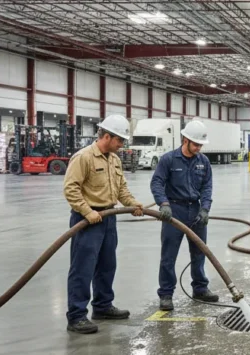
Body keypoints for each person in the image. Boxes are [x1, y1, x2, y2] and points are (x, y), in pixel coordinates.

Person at [62, 114, 144, 334]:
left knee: (107, 265)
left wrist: (132, 203)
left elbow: (121, 189)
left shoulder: (114, 159)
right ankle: (76, 316)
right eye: (120, 140)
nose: (122, 144)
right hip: (87, 221)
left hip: (108, 218)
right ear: (107, 136)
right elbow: (71, 189)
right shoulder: (84, 157)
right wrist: (87, 212)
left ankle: (102, 306)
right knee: (83, 268)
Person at [150, 120, 218, 311]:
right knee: (168, 255)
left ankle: (200, 288)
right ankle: (166, 294)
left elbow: (207, 187)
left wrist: (205, 209)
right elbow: (157, 183)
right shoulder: (169, 160)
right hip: (174, 211)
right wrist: (163, 204)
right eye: (195, 144)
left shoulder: (203, 162)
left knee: (199, 252)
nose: (198, 148)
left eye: (201, 145)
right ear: (185, 140)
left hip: (195, 210)